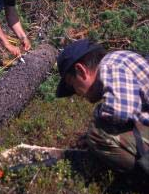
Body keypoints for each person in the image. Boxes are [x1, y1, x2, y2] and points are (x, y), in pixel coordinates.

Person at [56, 39, 149, 176]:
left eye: (72, 85)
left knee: (99, 134)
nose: (77, 93)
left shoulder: (110, 65)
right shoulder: (119, 60)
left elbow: (119, 113)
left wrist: (96, 119)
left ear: (81, 71)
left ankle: (136, 183)